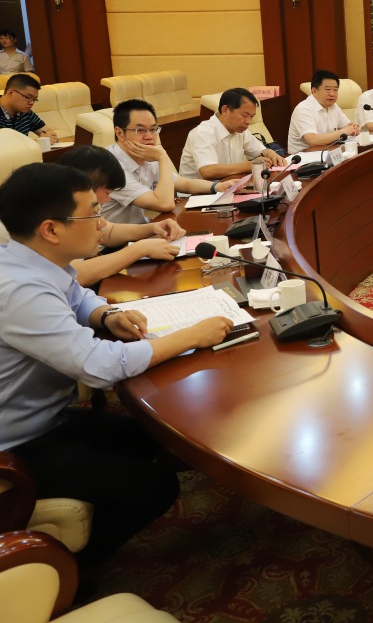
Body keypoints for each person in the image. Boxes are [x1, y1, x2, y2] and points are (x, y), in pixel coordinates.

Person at [0, 163, 232, 565]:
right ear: (51, 229)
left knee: (156, 437)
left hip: (45, 418)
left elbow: (78, 295)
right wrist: (191, 336)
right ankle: (61, 574)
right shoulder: (19, 290)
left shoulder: (30, 260)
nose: (101, 223)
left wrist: (106, 315)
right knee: (154, 486)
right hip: (16, 448)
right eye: (92, 214)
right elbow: (100, 367)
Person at [60, 146, 187, 287]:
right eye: (107, 193)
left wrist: (153, 228)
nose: (107, 199)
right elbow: (75, 275)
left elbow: (109, 231)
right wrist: (140, 249)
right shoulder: (56, 217)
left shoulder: (81, 208)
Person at [100, 99, 231, 225]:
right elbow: (164, 204)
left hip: (143, 230)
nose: (149, 137)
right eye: (140, 130)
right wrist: (162, 157)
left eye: (153, 129)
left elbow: (185, 184)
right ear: (120, 133)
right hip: (116, 239)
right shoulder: (110, 167)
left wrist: (218, 187)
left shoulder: (147, 155)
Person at [179, 87, 285, 180]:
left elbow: (260, 150)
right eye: (244, 115)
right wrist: (249, 165)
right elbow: (207, 171)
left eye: (252, 116)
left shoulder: (240, 130)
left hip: (227, 186)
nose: (248, 121)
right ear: (225, 110)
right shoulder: (203, 133)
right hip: (198, 194)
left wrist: (271, 154)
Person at [288, 69, 358, 154]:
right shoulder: (304, 109)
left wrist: (354, 129)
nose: (332, 94)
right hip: (303, 157)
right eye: (327, 89)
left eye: (335, 90)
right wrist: (344, 131)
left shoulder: (334, 107)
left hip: (328, 151)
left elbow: (349, 127)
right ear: (314, 91)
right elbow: (312, 140)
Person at [0, 73, 57, 142]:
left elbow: (48, 131)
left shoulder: (25, 112)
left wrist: (48, 136)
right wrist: (36, 142)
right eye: (28, 97)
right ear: (10, 93)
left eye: (34, 99)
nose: (32, 103)